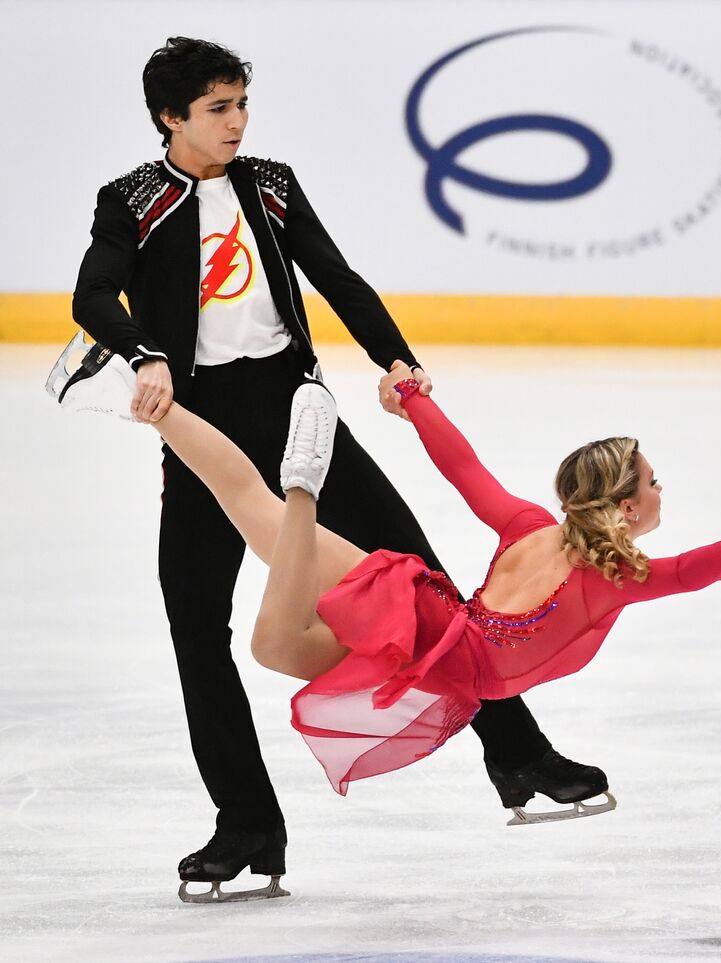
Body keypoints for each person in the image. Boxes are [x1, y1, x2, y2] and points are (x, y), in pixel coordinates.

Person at [68, 37, 605, 902]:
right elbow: (92, 295)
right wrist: (144, 355)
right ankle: (245, 823)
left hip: (297, 409)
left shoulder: (271, 185)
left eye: (242, 103)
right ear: (172, 117)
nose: (238, 122)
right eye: (218, 108)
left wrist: (394, 359)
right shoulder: (131, 201)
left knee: (425, 578)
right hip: (202, 424)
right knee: (195, 622)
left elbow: (335, 277)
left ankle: (519, 754)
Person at [129, 363, 721, 897]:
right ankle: (301, 483)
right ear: (625, 506)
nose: (660, 489)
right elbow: (689, 573)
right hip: (421, 628)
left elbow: (463, 467)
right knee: (264, 525)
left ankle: (198, 430)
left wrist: (415, 399)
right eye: (653, 481)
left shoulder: (535, 525)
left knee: (270, 640)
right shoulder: (614, 575)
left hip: (430, 635)